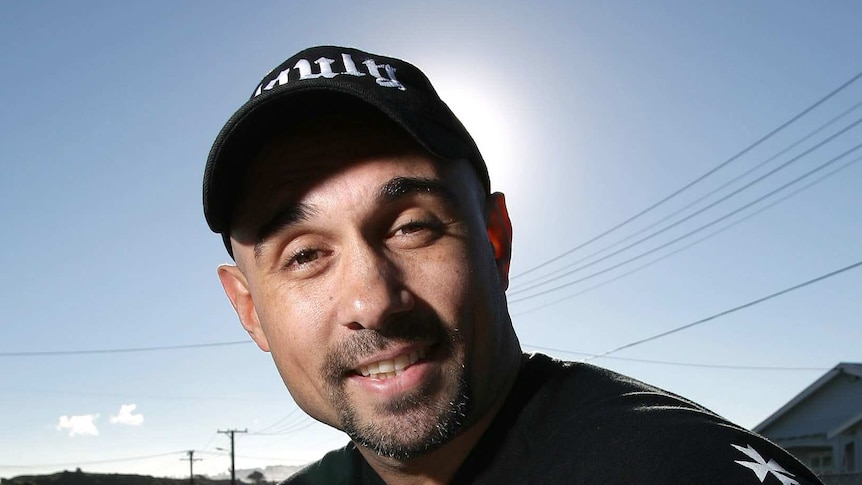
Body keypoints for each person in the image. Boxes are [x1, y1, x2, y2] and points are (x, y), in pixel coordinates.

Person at [203, 46, 823, 485]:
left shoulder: (691, 470)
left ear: (494, 242)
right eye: (306, 255)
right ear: (250, 310)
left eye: (412, 227)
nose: (372, 301)